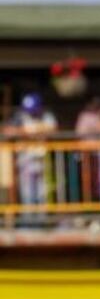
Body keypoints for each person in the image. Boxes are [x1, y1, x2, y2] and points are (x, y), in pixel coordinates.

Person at [4, 93, 57, 223]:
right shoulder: (20, 116)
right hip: (26, 160)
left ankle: (42, 221)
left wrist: (32, 131)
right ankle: (29, 222)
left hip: (43, 159)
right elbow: (8, 130)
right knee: (28, 194)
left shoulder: (46, 116)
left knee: (42, 192)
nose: (32, 113)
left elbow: (52, 129)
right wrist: (26, 132)